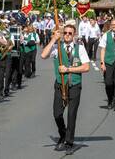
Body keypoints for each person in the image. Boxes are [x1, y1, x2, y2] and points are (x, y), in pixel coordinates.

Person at [41, 25, 90, 155]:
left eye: (70, 33)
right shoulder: (57, 47)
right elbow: (43, 55)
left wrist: (68, 69)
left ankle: (69, 142)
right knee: (57, 113)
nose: (67, 35)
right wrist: (53, 39)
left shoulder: (80, 48)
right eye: (65, 33)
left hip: (74, 85)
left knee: (71, 115)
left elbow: (86, 67)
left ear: (74, 35)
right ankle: (63, 134)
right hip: (60, 85)